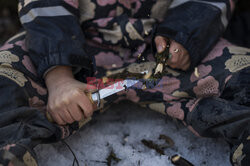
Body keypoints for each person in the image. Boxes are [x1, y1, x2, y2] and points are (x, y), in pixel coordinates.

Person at [0, 0, 249, 165]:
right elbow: (44, 9)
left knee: (242, 73)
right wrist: (58, 77)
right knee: (7, 74)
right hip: (75, 54)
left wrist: (187, 35)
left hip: (165, 53)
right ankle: (8, 153)